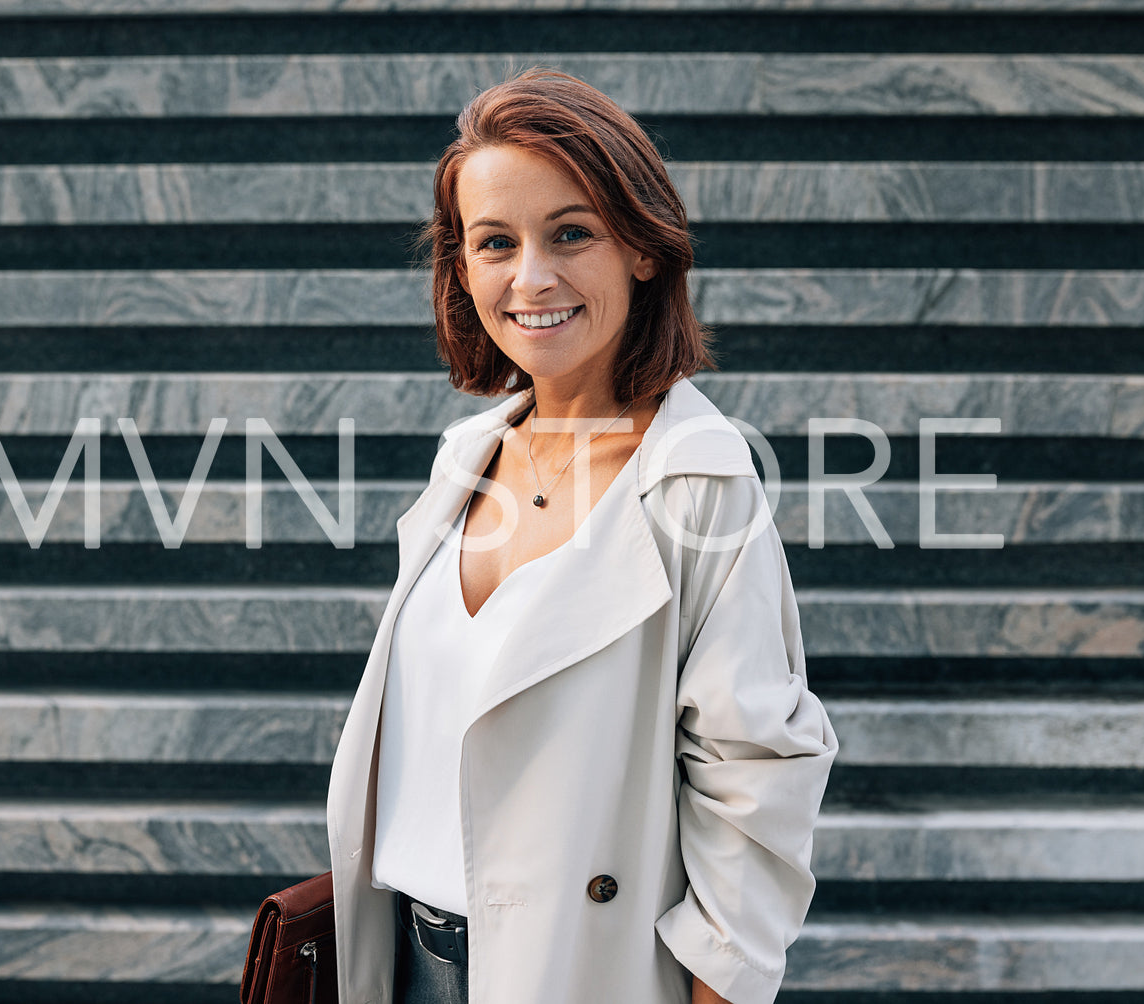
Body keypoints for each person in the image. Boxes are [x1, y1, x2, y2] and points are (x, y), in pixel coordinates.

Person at [325, 68, 837, 1004]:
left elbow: (757, 772)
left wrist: (719, 990)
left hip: (577, 971)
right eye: (494, 242)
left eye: (571, 233)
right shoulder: (466, 457)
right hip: (404, 959)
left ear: (642, 249)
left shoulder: (697, 477)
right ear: (461, 266)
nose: (531, 277)